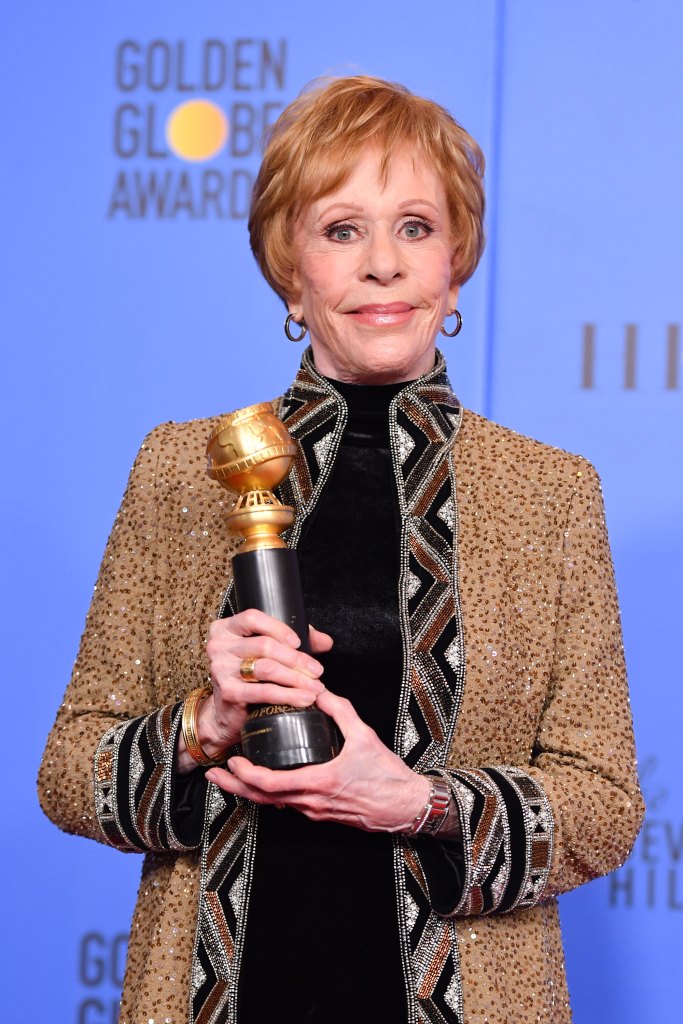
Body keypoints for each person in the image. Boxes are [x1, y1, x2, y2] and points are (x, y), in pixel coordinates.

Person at [39, 75, 644, 1024]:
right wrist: (203, 725)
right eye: (339, 229)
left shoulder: (551, 494)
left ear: (456, 261)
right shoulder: (180, 470)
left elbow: (604, 803)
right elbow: (69, 768)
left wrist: (418, 804)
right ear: (289, 266)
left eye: (414, 226)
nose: (382, 266)